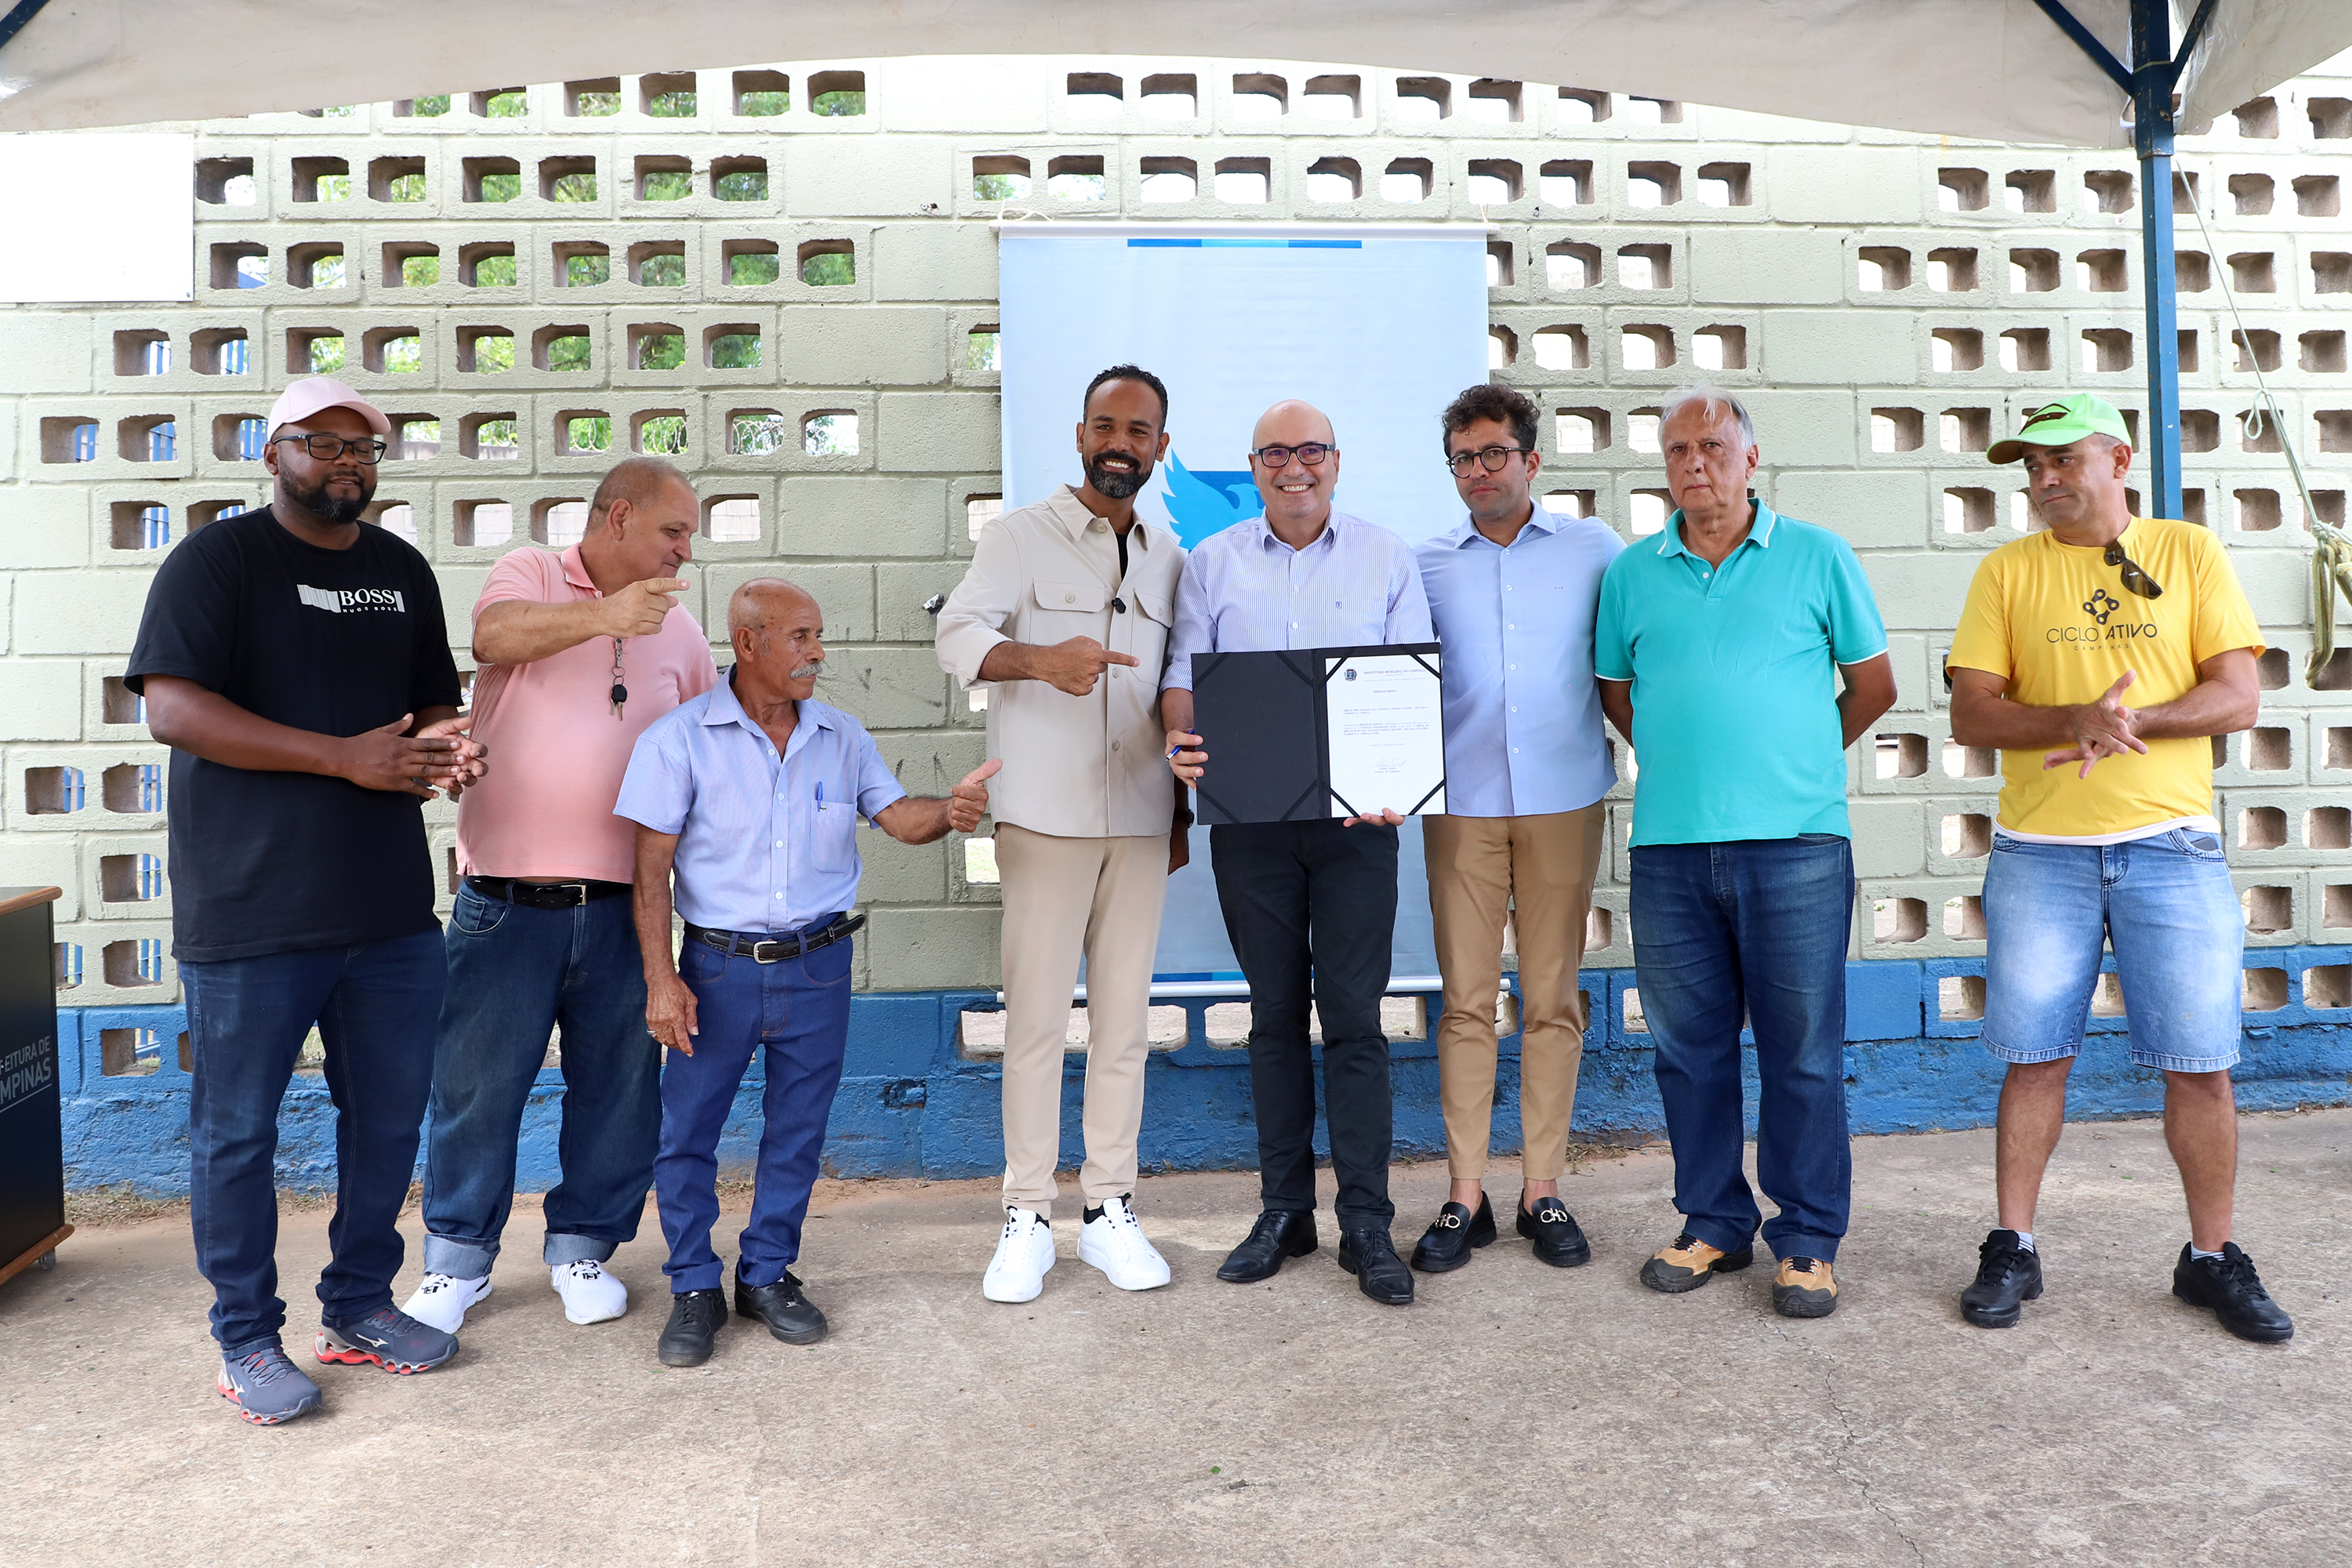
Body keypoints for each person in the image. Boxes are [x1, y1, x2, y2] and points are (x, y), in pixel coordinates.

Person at [124, 376, 487, 1425]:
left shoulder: (398, 571)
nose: (349, 462)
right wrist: (344, 759)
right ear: (273, 451)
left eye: (367, 447)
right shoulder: (217, 562)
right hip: (251, 912)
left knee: (384, 1119)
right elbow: (175, 710)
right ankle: (245, 1338)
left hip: (385, 912)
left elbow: (430, 699)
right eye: (325, 444)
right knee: (234, 1134)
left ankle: (360, 1305)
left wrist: (447, 745)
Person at [1946, 394, 2288, 1342]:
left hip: (2171, 846)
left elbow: (2238, 694)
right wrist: (2071, 719)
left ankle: (2211, 1256)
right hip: (2040, 853)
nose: (2044, 480)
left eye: (2063, 461)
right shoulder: (2006, 570)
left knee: (2201, 1065)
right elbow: (1972, 712)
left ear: (2119, 459)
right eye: (2031, 467)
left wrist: (2128, 723)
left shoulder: (2187, 552)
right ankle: (2013, 1243)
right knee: (2034, 1057)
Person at [619, 579, 998, 1367]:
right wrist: (662, 979)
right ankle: (693, 1282)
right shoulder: (677, 740)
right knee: (688, 1128)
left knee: (797, 1130)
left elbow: (899, 816)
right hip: (716, 970)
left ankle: (766, 1274)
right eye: (801, 636)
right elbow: (648, 872)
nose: (819, 652)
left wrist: (951, 807)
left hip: (820, 966)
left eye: (818, 635)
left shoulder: (841, 735)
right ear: (749, 643)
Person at [1594, 385, 1895, 1319]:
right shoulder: (1633, 573)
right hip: (1674, 849)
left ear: (1750, 458)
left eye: (1713, 445)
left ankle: (1806, 1238)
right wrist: (1693, 759)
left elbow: (1874, 686)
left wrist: (1791, 758)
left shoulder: (1818, 555)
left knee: (1802, 1051)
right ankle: (1714, 1220)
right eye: (1678, 449)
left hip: (1798, 845)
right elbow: (1616, 691)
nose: (1694, 463)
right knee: (1688, 1052)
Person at [401, 457, 717, 1338]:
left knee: (617, 1087)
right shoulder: (533, 571)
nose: (683, 549)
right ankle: (458, 1262)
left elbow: (707, 739)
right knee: (477, 1085)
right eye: (672, 530)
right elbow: (495, 636)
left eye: (688, 534)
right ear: (617, 518)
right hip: (504, 896)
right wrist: (606, 617)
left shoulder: (680, 627)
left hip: (624, 905)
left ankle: (583, 1246)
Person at [1163, 399, 1435, 1307]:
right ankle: (1285, 1210)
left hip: (1362, 825)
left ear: (1336, 459)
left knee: (1354, 1019)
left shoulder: (1384, 554)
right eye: (1275, 453)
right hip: (1253, 826)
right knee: (1273, 1014)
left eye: (1309, 449)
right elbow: (1180, 686)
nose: (1294, 466)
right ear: (1253, 466)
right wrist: (1184, 743)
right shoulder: (1214, 562)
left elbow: (1410, 684)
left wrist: (1398, 770)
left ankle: (1366, 1220)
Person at [935, 365, 1189, 1304]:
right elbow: (958, 633)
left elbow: (1181, 686)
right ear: (1080, 435)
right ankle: (1028, 1215)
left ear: (1163, 447)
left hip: (1140, 817)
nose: (1121, 442)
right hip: (1043, 815)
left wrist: (1181, 809)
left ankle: (1110, 1209)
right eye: (1106, 425)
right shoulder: (1017, 537)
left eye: (1141, 429)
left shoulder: (1170, 554)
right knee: (1037, 1022)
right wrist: (1040, 659)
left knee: (1124, 1025)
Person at [1407, 384, 1621, 1274]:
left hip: (1564, 798)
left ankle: (1542, 1189)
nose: (1481, 470)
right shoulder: (1424, 562)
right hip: (1460, 804)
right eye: (1465, 456)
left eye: (1496, 453)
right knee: (1462, 1000)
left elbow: (1630, 659)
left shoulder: (1595, 550)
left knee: (1551, 999)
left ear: (1532, 460)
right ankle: (1465, 1194)